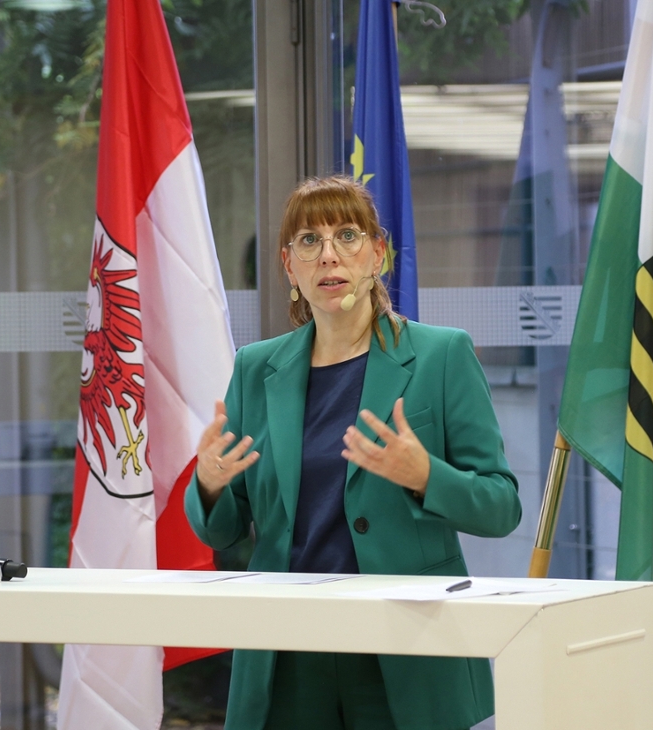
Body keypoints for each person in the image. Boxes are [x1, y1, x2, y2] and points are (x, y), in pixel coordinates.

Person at [185, 176, 522, 730]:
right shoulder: (256, 367)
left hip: (405, 648)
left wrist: (424, 476)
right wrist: (210, 486)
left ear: (378, 255)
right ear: (289, 267)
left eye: (347, 234)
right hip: (287, 653)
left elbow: (500, 506)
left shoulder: (441, 355)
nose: (330, 255)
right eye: (309, 241)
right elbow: (224, 531)